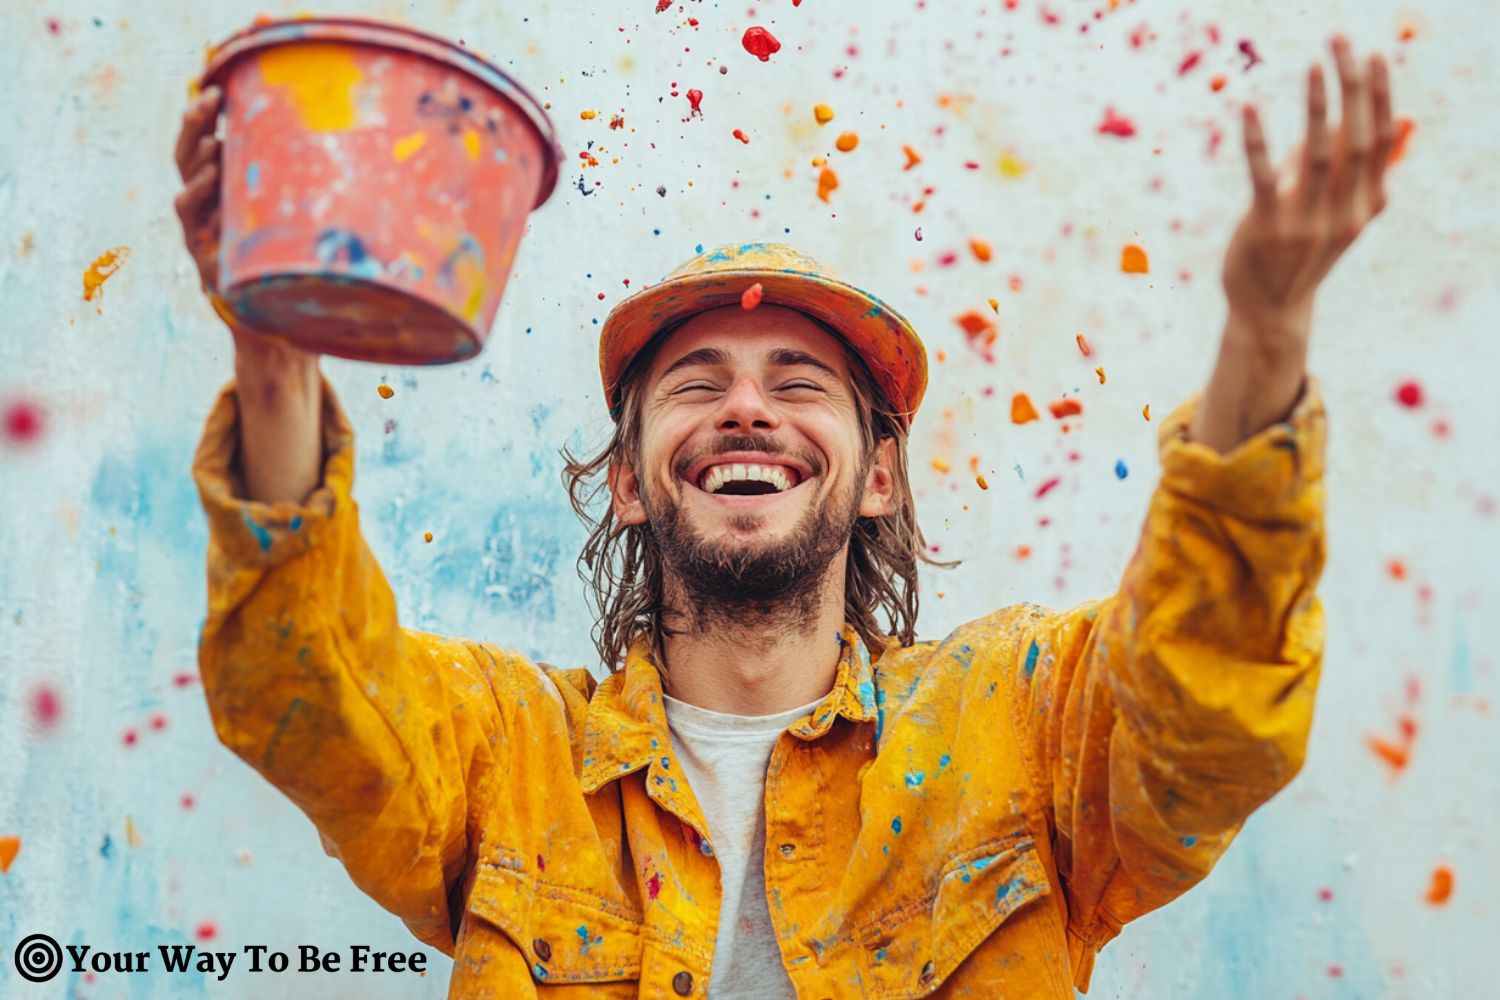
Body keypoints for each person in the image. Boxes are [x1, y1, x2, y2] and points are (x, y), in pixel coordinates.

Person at [174, 34, 1395, 999]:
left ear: (880, 476)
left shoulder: (1016, 728)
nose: (747, 409)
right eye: (696, 385)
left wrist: (1266, 335)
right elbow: (310, 697)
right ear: (629, 477)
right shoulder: (508, 755)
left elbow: (1211, 713)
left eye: (800, 384)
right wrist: (274, 356)